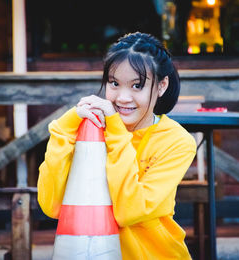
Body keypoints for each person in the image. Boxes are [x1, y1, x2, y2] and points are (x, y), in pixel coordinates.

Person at [37, 32, 197, 259]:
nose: (122, 97)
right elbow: (51, 205)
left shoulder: (177, 142)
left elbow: (128, 211)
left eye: (137, 86)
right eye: (114, 83)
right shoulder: (92, 131)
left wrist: (115, 130)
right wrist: (65, 128)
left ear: (161, 86)